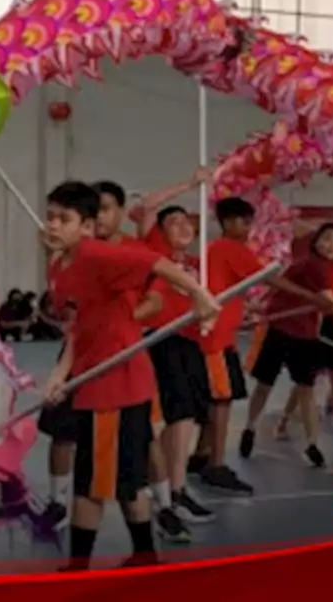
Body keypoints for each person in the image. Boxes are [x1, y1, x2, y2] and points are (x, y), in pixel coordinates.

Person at [40, 181, 219, 570]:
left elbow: (154, 263)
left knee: (92, 483)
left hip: (115, 387)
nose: (53, 225)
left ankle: (78, 568)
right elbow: (78, 329)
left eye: (64, 219)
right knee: (124, 479)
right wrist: (59, 374)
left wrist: (198, 294)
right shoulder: (59, 266)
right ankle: (144, 557)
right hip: (93, 381)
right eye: (50, 216)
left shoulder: (95, 254)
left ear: (86, 226)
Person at [246, 223, 333, 467]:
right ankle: (249, 428)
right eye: (327, 239)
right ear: (315, 242)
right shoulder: (311, 264)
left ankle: (312, 443)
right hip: (281, 330)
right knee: (265, 385)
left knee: (306, 388)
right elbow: (332, 308)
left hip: (306, 333)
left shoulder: (325, 268)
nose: (331, 245)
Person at [140, 205, 219, 534]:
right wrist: (190, 182)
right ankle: (171, 491)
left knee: (186, 417)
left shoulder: (196, 264)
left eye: (187, 222)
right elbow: (144, 209)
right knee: (177, 414)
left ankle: (178, 487)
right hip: (163, 338)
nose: (183, 227)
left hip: (190, 342)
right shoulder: (156, 254)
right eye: (174, 222)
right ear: (160, 231)